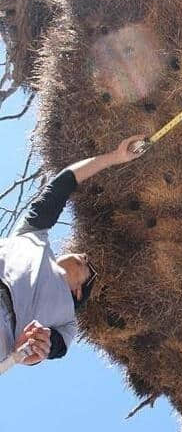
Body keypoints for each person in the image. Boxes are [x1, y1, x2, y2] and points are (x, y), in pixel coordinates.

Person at [0, 135, 145, 368]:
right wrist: (115, 157)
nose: (84, 256)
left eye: (86, 265)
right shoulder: (33, 235)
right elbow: (63, 184)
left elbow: (55, 347)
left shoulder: (67, 321)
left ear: (78, 292)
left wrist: (40, 346)